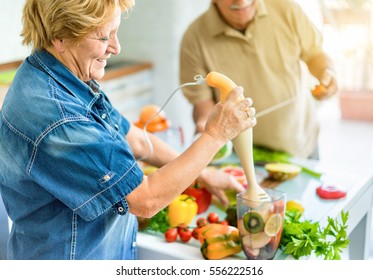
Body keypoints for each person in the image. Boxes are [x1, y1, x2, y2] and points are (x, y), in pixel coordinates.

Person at [0, 0, 256, 260]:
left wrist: (205, 175)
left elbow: (135, 139)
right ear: (60, 37)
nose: (116, 47)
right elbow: (145, 200)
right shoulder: (58, 117)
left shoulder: (59, 75)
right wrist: (215, 134)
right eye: (103, 36)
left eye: (115, 32)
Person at [180, 0, 338, 159]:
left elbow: (314, 54)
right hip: (239, 157)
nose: (242, 2)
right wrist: (205, 130)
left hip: (301, 145)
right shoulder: (194, 38)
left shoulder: (287, 9)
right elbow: (203, 106)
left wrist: (327, 72)